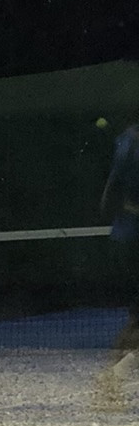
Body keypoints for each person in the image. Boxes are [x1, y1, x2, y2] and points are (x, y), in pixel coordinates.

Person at [95, 120, 139, 406]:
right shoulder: (130, 141)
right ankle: (112, 377)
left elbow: (110, 189)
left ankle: (113, 377)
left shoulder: (127, 140)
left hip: (125, 235)